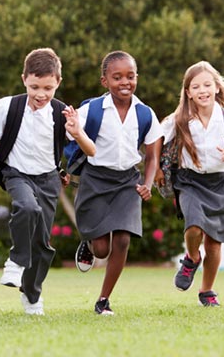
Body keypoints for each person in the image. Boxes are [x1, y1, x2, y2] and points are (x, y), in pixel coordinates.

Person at [0, 48, 92, 315]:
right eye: (34, 86)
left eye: (47, 87)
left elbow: (90, 150)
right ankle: (15, 261)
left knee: (43, 245)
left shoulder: (63, 114)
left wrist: (77, 132)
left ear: (58, 82)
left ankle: (32, 292)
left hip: (48, 180)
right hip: (16, 174)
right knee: (27, 207)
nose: (40, 94)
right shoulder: (6, 107)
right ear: (24, 78)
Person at [71, 51, 162, 316]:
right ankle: (88, 245)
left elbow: (152, 155)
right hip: (95, 180)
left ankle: (103, 300)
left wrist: (148, 184)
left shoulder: (145, 114)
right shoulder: (91, 110)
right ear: (104, 81)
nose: (125, 82)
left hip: (127, 182)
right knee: (102, 249)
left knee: (122, 240)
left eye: (130, 76)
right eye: (117, 77)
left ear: (137, 78)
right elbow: (71, 136)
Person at [156, 61, 224, 307]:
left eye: (207, 84)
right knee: (194, 228)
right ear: (188, 92)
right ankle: (192, 258)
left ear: (216, 87)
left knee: (214, 244)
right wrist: (158, 170)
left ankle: (207, 290)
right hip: (189, 181)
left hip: (219, 183)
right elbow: (156, 139)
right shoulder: (179, 119)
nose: (202, 90)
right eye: (196, 86)